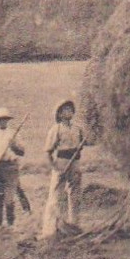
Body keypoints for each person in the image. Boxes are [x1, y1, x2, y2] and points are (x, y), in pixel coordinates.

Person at [42, 99, 87, 238]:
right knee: (57, 195)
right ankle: (53, 227)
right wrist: (55, 167)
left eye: (70, 109)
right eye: (65, 110)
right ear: (60, 114)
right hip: (61, 162)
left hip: (75, 162)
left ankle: (74, 225)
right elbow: (48, 151)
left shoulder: (78, 128)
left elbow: (87, 141)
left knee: (75, 194)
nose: (69, 112)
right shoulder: (56, 129)